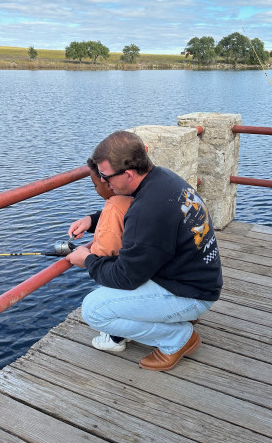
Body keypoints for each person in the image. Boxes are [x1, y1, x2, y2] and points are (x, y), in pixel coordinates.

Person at [67, 130, 223, 371]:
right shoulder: (162, 179)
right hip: (197, 279)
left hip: (192, 294)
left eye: (105, 176)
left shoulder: (149, 210)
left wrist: (87, 260)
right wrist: (93, 220)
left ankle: (177, 338)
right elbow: (142, 218)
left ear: (128, 174)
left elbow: (125, 277)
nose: (104, 182)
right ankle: (180, 319)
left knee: (94, 310)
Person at [74, 157, 133, 353]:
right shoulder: (135, 197)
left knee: (102, 303)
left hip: (123, 275)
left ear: (108, 182)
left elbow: (105, 252)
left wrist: (84, 256)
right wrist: (91, 221)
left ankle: (115, 337)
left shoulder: (112, 207)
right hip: (142, 271)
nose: (96, 190)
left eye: (95, 185)